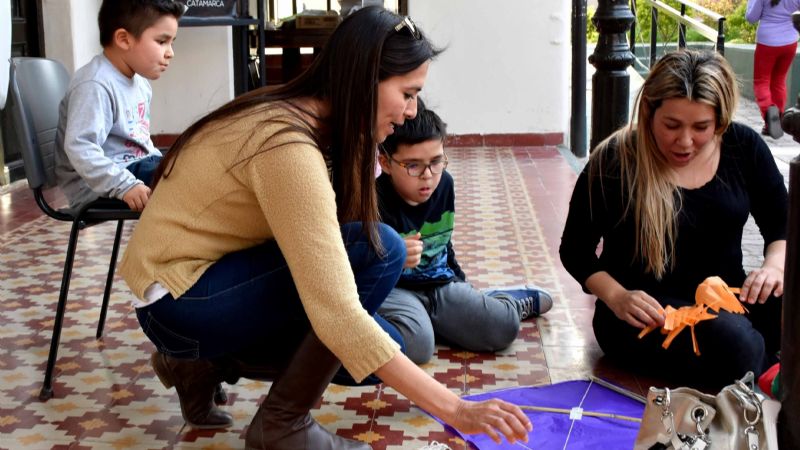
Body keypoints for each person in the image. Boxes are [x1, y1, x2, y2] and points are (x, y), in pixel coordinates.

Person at [118, 6, 532, 449]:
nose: (412, 112)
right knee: (374, 277)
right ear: (366, 78)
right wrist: (456, 410)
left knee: (381, 333)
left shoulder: (317, 125)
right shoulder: (287, 145)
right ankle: (281, 424)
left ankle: (204, 364)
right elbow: (336, 311)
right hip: (181, 301)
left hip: (210, 287)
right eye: (408, 93)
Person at [560, 50, 787, 391]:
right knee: (737, 344)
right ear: (650, 112)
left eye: (701, 128)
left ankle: (763, 370)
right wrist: (618, 297)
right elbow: (575, 250)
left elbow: (781, 226)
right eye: (671, 125)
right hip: (644, 314)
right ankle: (767, 373)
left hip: (725, 299)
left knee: (776, 308)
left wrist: (773, 268)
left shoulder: (743, 146)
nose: (684, 141)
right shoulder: (615, 160)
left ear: (720, 121)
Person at [375, 99, 553, 365]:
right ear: (386, 163)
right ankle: (435, 322)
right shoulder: (372, 198)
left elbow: (443, 243)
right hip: (394, 292)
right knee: (417, 346)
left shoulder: (443, 184)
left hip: (438, 285)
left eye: (436, 161)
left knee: (504, 327)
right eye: (413, 165)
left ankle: (504, 302)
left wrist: (462, 286)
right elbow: (357, 264)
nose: (428, 176)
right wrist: (393, 254)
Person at [54, 0, 184, 211]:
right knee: (192, 176)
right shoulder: (95, 84)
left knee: (194, 158)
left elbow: (139, 140)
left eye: (171, 42)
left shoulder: (140, 83)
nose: (170, 52)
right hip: (97, 184)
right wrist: (124, 185)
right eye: (162, 42)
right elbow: (80, 146)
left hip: (134, 167)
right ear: (124, 39)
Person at [746, 0, 800, 139]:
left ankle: (770, 118)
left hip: (767, 42)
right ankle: (778, 120)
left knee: (761, 82)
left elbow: (751, 18)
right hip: (790, 41)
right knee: (779, 80)